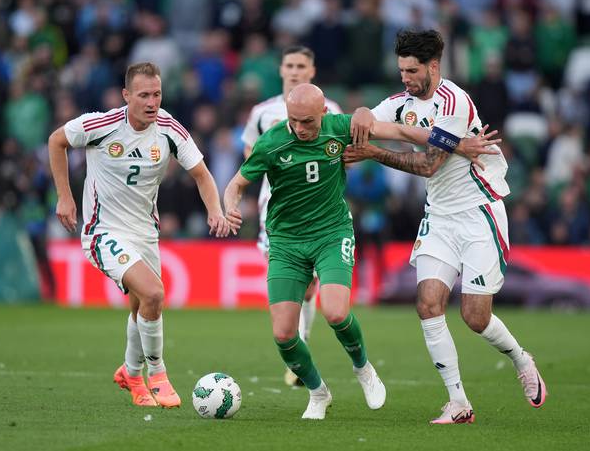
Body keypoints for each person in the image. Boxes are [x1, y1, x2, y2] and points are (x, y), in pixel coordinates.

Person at [224, 83, 497, 420]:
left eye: (307, 122)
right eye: (293, 121)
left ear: (324, 113)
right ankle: (318, 392)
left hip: (331, 233)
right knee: (283, 334)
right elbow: (236, 183)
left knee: (336, 312)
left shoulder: (340, 127)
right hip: (286, 241)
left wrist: (456, 144)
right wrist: (230, 208)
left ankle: (364, 368)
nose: (299, 129)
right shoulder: (272, 141)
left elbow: (399, 129)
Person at [344, 30, 547, 424]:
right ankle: (458, 403)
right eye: (401, 69)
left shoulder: (453, 102)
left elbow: (428, 165)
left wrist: (370, 151)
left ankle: (522, 359)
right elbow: (368, 117)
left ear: (433, 67)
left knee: (475, 316)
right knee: (428, 304)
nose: (404, 77)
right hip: (439, 217)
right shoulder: (402, 102)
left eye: (411, 70)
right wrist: (360, 116)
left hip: (478, 214)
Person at [48, 62, 230, 408]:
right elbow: (57, 141)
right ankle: (157, 373)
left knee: (141, 306)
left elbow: (203, 175)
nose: (151, 102)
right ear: (126, 95)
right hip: (103, 231)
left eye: (157, 94)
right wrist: (65, 196)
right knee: (154, 293)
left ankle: (130, 372)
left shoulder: (169, 129)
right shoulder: (102, 124)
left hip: (145, 233)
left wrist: (215, 211)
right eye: (143, 95)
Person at [241, 45, 343, 387]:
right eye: (290, 65)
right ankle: (298, 352)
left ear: (312, 71)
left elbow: (344, 155)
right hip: (277, 211)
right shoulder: (262, 112)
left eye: (302, 65)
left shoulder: (332, 111)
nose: (295, 70)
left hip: (319, 213)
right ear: (281, 69)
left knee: (312, 287)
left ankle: (301, 347)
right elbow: (250, 156)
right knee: (296, 284)